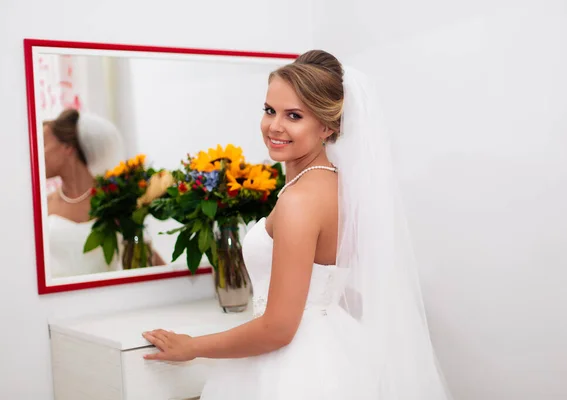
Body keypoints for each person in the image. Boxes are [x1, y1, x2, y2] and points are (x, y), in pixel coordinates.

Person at [142, 50, 452, 399]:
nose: (275, 126)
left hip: (295, 367)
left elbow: (278, 329)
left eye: (294, 115)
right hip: (332, 346)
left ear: (328, 126)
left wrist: (192, 346)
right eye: (269, 110)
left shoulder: (300, 200)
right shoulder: (336, 185)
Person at [44, 110, 166, 277]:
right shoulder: (43, 204)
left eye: (43, 145)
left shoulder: (115, 201)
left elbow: (142, 250)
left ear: (67, 148)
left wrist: (134, 235)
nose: (36, 154)